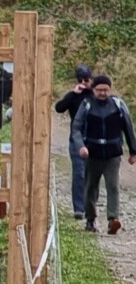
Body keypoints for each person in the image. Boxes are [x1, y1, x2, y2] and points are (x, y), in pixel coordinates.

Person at [73, 72, 136, 234]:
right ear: (93, 90)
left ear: (110, 90)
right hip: (92, 154)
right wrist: (81, 146)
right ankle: (90, 219)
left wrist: (133, 151)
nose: (102, 93)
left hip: (113, 154)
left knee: (113, 186)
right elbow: (76, 128)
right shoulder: (86, 105)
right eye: (99, 90)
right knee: (90, 187)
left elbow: (128, 128)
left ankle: (112, 219)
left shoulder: (118, 105)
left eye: (105, 90)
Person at [56, 64, 94, 218]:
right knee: (79, 173)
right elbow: (59, 108)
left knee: (91, 174)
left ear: (91, 79)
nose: (84, 82)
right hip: (76, 140)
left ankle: (90, 207)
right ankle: (79, 208)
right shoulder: (74, 95)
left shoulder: (95, 94)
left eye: (86, 79)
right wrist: (72, 93)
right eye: (80, 79)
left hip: (93, 139)